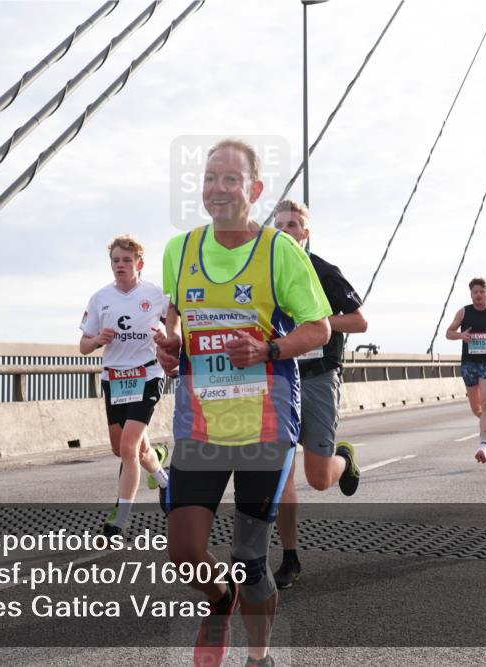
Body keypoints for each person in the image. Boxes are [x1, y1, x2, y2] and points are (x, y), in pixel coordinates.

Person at [154, 139, 331, 667]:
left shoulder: (280, 250)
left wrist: (268, 348)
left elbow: (318, 329)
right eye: (210, 178)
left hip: (265, 423)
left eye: (231, 179)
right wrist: (172, 344)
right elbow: (176, 315)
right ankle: (220, 598)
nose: (218, 188)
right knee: (185, 557)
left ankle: (259, 657)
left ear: (253, 190)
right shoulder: (178, 250)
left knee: (250, 556)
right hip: (201, 422)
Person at [271, 198, 367, 589]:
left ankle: (343, 459)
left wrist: (317, 323)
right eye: (278, 225)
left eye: (292, 225)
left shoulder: (324, 272)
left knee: (319, 478)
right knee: (281, 473)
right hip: (278, 377)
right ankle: (290, 558)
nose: (285, 231)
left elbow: (360, 321)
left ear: (305, 233)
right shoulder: (266, 275)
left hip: (317, 376)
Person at [79, 235, 170, 538]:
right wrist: (97, 340)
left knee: (130, 446)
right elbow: (83, 346)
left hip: (147, 374)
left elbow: (175, 328)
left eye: (126, 261)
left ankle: (118, 522)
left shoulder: (157, 295)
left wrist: (166, 339)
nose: (120, 265)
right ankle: (163, 477)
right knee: (124, 449)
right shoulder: (100, 298)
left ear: (139, 264)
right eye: (116, 261)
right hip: (114, 379)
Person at [445, 278, 486, 464]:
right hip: (469, 363)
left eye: (482, 292)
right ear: (471, 294)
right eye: (475, 292)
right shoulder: (464, 312)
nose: (478, 295)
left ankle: (483, 446)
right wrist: (461, 335)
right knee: (476, 408)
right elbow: (449, 333)